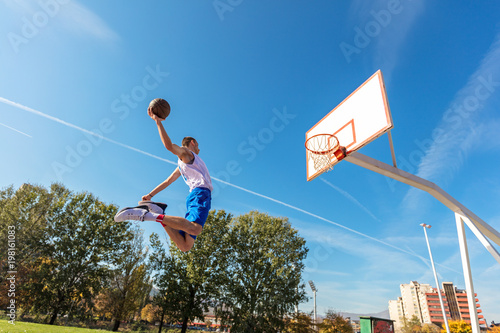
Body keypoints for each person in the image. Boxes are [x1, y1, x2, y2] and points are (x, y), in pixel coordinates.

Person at [114, 106, 213, 252]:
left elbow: (168, 181)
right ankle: (147, 215)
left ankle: (158, 212)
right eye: (197, 145)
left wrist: (150, 195)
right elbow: (168, 146)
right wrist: (158, 122)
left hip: (195, 196)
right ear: (192, 142)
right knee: (195, 229)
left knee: (185, 246)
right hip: (200, 194)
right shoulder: (187, 154)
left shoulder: (182, 166)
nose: (198, 148)